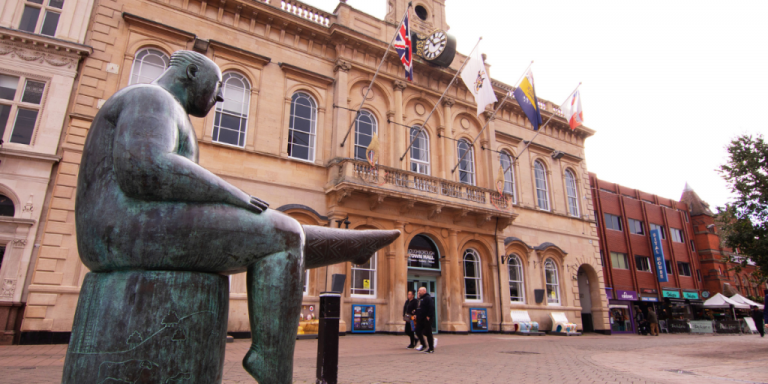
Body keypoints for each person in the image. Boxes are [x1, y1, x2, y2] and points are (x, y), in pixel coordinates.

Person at [75, 50, 399, 384]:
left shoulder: (165, 108)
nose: (220, 95)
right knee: (283, 233)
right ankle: (269, 363)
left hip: (134, 225)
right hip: (119, 229)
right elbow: (145, 170)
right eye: (216, 86)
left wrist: (232, 203)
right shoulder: (150, 97)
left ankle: (351, 245)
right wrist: (235, 196)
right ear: (189, 73)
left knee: (280, 229)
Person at [415, 287, 435, 353]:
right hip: (420, 319)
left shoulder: (428, 298)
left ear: (424, 291)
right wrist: (416, 314)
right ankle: (423, 345)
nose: (419, 292)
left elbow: (431, 307)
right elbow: (418, 308)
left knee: (428, 333)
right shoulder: (420, 299)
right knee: (417, 330)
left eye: (420, 290)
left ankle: (431, 348)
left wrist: (429, 315)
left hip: (426, 318)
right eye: (418, 290)